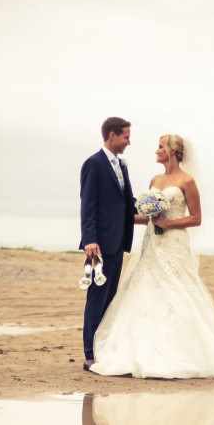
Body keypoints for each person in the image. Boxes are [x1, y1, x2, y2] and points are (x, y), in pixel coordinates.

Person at [89, 134, 214, 379]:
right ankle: (140, 350)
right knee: (144, 289)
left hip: (173, 244)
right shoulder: (156, 179)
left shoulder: (187, 181)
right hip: (152, 243)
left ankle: (185, 353)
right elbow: (146, 217)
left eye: (161, 147)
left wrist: (169, 222)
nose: (157, 150)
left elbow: (196, 218)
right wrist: (119, 217)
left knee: (178, 290)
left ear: (173, 151)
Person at [78, 117, 136, 371]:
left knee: (110, 298)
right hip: (99, 246)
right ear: (111, 135)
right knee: (97, 298)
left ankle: (104, 349)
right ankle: (90, 354)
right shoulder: (94, 164)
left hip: (118, 242)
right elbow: (87, 204)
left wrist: (153, 211)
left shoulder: (121, 166)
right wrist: (90, 239)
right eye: (125, 136)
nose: (128, 141)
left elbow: (126, 203)